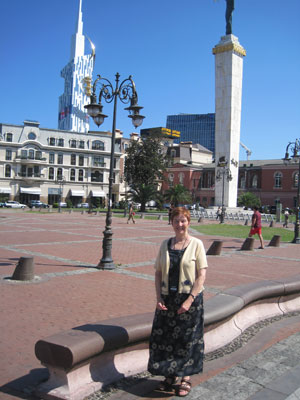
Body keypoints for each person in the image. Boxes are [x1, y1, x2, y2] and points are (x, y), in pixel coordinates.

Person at [148, 207, 208, 397]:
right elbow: (158, 273)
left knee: (187, 340)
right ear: (171, 223)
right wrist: (158, 297)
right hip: (167, 300)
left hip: (188, 300)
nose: (179, 225)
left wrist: (190, 300)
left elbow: (202, 275)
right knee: (164, 339)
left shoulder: (196, 244)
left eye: (183, 221)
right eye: (176, 221)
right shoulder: (165, 244)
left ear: (188, 222)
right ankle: (169, 375)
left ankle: (186, 378)